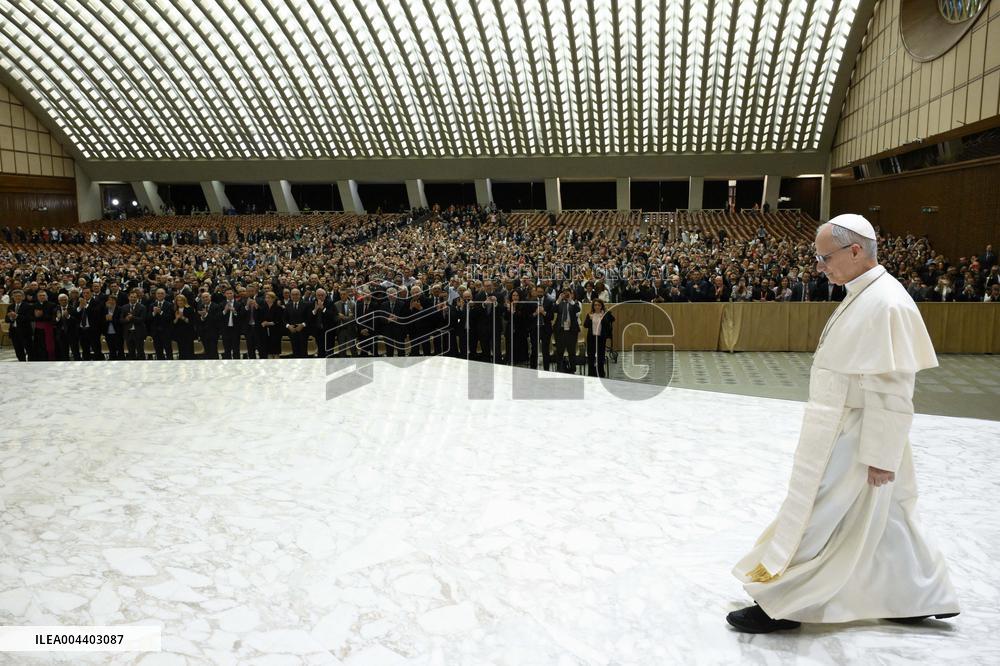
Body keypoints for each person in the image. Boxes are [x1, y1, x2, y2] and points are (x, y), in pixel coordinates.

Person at [728, 214, 960, 633]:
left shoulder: (886, 302)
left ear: (855, 251)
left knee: (821, 513)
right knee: (884, 515)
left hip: (857, 432)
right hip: (845, 422)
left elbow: (893, 388)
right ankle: (918, 593)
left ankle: (785, 604)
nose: (820, 266)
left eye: (825, 256)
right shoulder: (864, 292)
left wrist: (881, 455)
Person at [551, 289, 581, 373]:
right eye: (564, 293)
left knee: (572, 351)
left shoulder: (574, 303)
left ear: (572, 294)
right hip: (560, 331)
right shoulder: (559, 303)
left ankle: (572, 369)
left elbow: (577, 310)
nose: (566, 295)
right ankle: (559, 368)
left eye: (568, 294)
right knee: (559, 351)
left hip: (571, 331)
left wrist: (570, 300)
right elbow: (553, 309)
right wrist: (558, 300)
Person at [583, 299, 614, 378]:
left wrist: (604, 316)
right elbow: (585, 325)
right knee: (591, 356)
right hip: (591, 338)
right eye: (595, 305)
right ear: (593, 306)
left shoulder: (604, 314)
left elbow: (608, 324)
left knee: (600, 356)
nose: (597, 306)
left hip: (601, 338)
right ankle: (591, 373)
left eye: (599, 305)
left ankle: (601, 373)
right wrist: (590, 319)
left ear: (601, 306)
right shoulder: (590, 314)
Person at [121, 290, 148, 360]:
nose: (133, 298)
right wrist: (126, 319)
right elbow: (121, 320)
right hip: (128, 333)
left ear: (137, 298)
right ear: (128, 297)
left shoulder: (142, 307)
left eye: (135, 297)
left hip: (139, 333)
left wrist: (132, 317)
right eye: (131, 297)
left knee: (140, 352)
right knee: (131, 352)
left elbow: (142, 319)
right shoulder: (124, 307)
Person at [148, 288, 174, 360]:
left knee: (168, 351)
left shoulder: (169, 305)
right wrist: (154, 313)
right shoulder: (151, 305)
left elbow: (170, 318)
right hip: (155, 332)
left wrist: (161, 312)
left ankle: (171, 367)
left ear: (165, 295)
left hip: (166, 332)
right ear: (156, 295)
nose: (160, 295)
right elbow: (148, 318)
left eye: (162, 293)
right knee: (158, 351)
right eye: (158, 293)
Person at [259, 291, 284, 359]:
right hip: (266, 332)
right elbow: (261, 319)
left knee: (275, 351)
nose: (267, 299)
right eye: (266, 298)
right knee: (268, 351)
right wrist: (262, 323)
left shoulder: (278, 308)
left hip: (276, 331)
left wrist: (268, 323)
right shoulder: (263, 308)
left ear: (273, 299)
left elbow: (278, 320)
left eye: (269, 298)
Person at [171, 294, 197, 360]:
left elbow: (191, 322)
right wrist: (177, 318)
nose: (180, 302)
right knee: (181, 350)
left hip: (188, 333)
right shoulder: (174, 310)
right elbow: (172, 323)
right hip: (179, 333)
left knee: (189, 351)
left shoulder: (190, 309)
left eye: (181, 300)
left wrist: (182, 317)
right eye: (178, 300)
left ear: (184, 301)